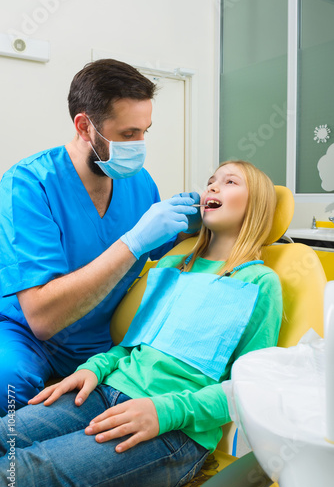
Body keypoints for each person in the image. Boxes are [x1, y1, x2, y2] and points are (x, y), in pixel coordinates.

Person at [0, 160, 283, 487]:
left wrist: (163, 411)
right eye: (211, 181)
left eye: (230, 182)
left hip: (173, 430)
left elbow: (249, 391)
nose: (212, 187)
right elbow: (131, 347)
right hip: (105, 391)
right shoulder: (171, 266)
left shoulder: (259, 283)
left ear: (257, 206)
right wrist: (93, 367)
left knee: (20, 474)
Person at [0, 59, 201, 416]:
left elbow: (169, 245)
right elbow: (43, 319)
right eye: (127, 134)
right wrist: (132, 243)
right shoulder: (28, 185)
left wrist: (200, 221)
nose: (139, 145)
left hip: (101, 341)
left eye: (145, 132)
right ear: (84, 126)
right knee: (8, 383)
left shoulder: (139, 184)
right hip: (27, 336)